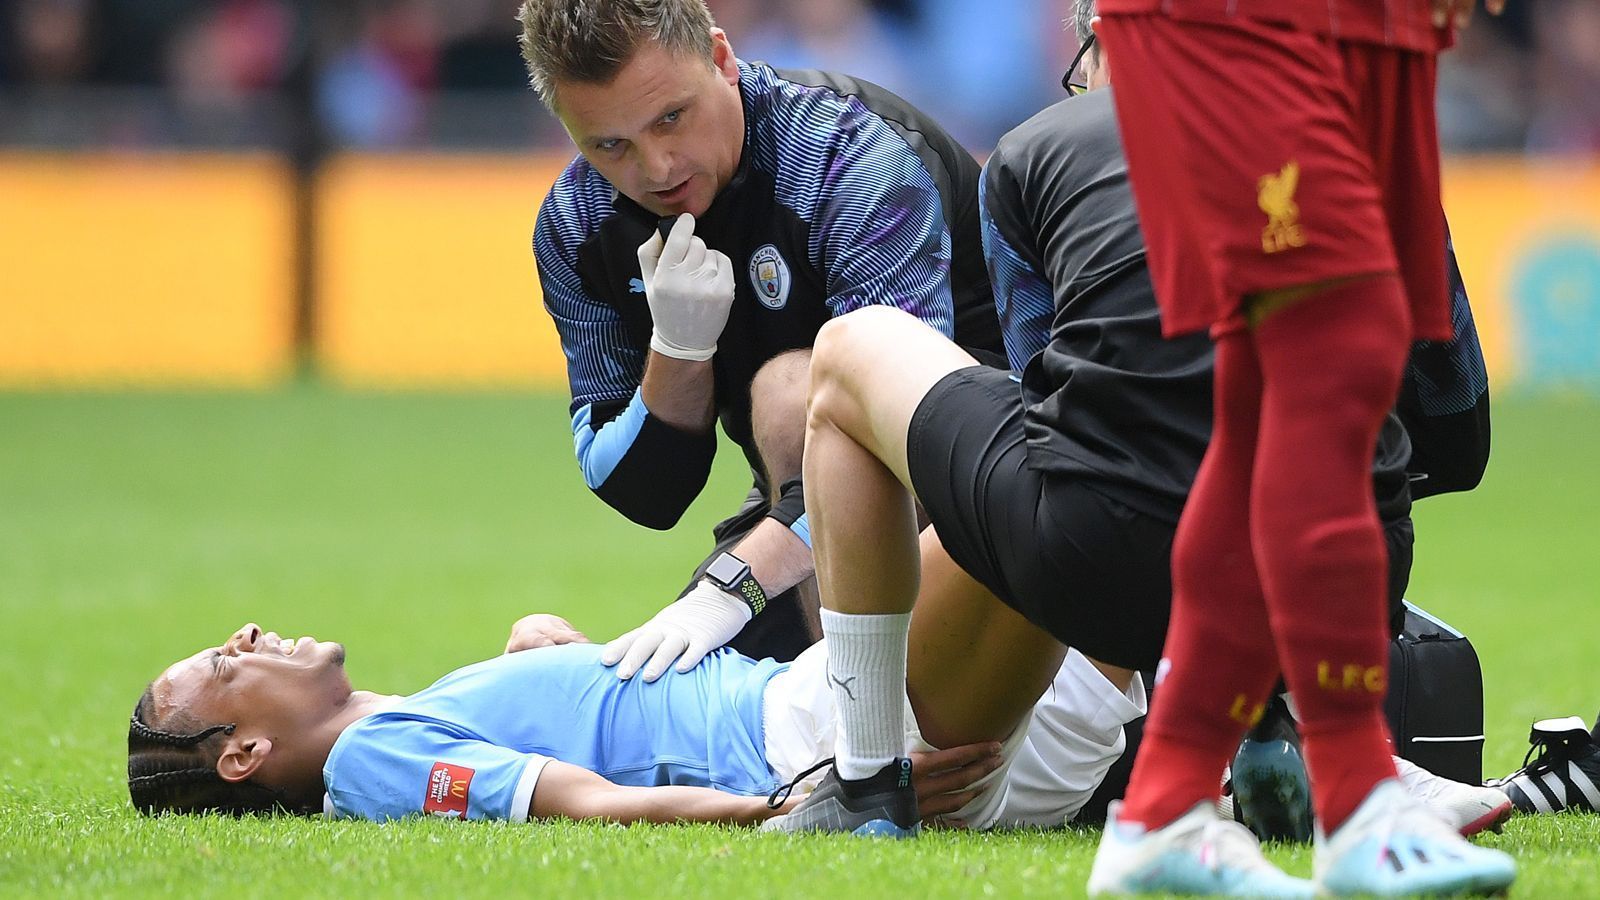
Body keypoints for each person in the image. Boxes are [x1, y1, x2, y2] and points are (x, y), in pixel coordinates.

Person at [764, 0, 1505, 863]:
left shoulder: (1038, 149)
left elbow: (1057, 410)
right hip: (1356, 578)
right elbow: (1459, 429)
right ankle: (1287, 739)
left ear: (1110, 40)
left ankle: (865, 783)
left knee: (853, 349)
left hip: (1100, 575)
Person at [1079, 0, 1518, 893]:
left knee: (1265, 395)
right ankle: (1359, 797)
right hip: (1243, 19)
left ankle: (1165, 805)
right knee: (1341, 349)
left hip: (1362, 22)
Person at [518, 0, 1004, 671]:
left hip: (988, 494)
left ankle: (854, 726)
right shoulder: (578, 224)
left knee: (790, 392)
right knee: (646, 700)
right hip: (800, 511)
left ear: (721, 59)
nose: (657, 168)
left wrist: (731, 587)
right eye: (610, 145)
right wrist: (678, 351)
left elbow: (901, 439)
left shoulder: (850, 158)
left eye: (671, 118)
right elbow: (642, 494)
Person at [125, 616, 1146, 829]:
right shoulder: (371, 761)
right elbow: (588, 801)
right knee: (868, 394)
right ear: (245, 756)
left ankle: (1250, 738)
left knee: (1111, 519)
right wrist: (793, 807)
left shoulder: (402, 724)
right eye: (226, 662)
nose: (248, 632)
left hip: (843, 716)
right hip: (822, 730)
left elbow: (565, 739)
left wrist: (550, 646)